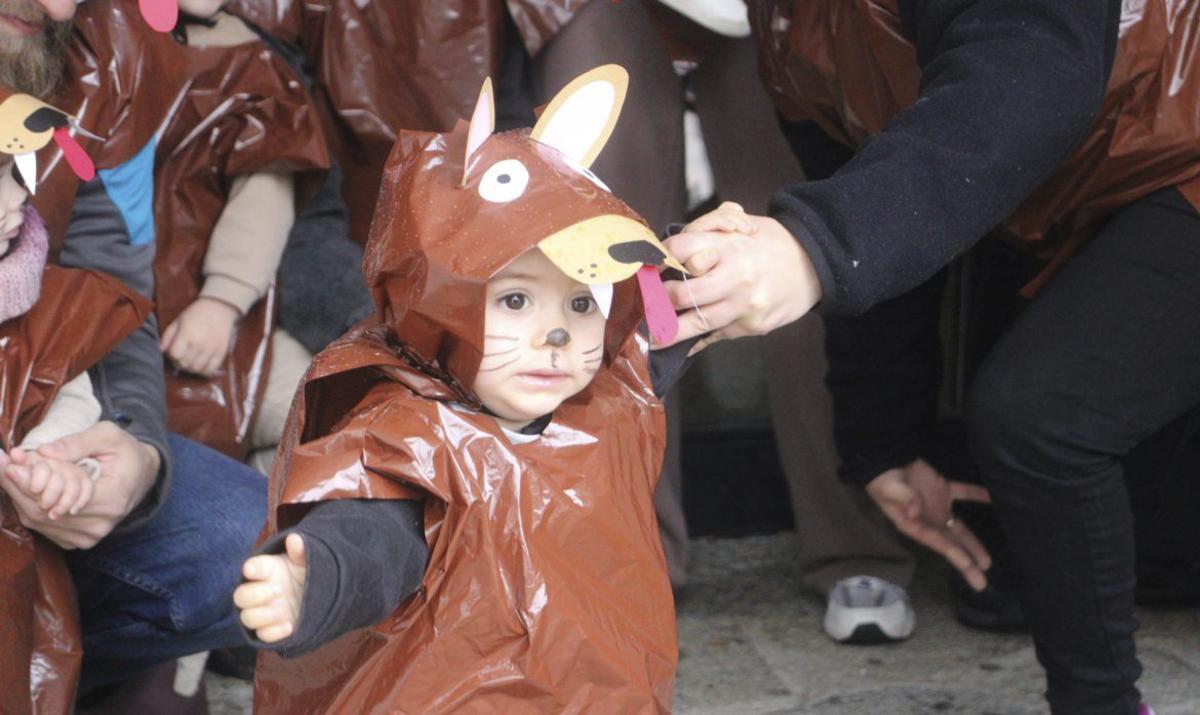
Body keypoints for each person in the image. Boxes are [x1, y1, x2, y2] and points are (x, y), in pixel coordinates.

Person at [659, 1, 1198, 712]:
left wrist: (813, 248)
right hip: (1069, 188)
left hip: (1175, 157)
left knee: (1041, 415)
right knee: (1014, 531)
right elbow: (864, 163)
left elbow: (1031, 74)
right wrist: (880, 440)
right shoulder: (788, 29)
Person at [235, 67, 700, 711]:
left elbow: (669, 314)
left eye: (581, 302)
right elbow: (370, 535)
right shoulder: (409, 434)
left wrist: (708, 265)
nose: (556, 335)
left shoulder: (613, 390)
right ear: (441, 305)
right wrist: (313, 581)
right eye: (515, 299)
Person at [0, 0, 267, 705]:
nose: (59, 7)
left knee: (254, 541)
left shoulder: (95, 57)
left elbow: (110, 285)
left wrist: (136, 450)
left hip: (30, 435)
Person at [154, 0, 328, 470]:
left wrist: (222, 301)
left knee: (328, 415)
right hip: (121, 321)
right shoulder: (95, 50)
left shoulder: (250, 63)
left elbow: (263, 201)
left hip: (223, 320)